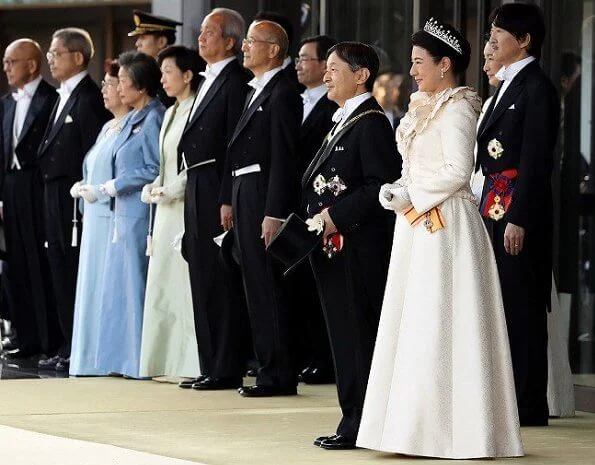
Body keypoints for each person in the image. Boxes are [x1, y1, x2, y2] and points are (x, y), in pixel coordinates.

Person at [356, 19, 523, 459]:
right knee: (412, 323)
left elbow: (456, 171)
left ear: (444, 64)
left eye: (418, 62)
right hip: (415, 223)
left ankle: (454, 430)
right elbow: (416, 167)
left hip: (446, 225)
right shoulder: (420, 106)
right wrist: (396, 190)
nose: (412, 71)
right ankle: (410, 429)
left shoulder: (459, 107)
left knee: (442, 322)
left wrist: (411, 194)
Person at [304, 42, 401, 450]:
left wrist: (335, 217)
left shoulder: (371, 122)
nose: (325, 76)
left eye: (333, 69)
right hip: (332, 248)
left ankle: (360, 423)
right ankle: (352, 417)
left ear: (360, 75)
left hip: (358, 248)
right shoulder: (343, 119)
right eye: (324, 68)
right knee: (343, 337)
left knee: (358, 337)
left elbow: (380, 186)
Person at [478, 3, 560, 426]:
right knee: (503, 305)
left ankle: (529, 406)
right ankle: (510, 399)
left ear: (524, 40)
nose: (490, 42)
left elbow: (535, 160)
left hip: (516, 213)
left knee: (522, 306)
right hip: (492, 206)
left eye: (499, 34)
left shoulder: (537, 87)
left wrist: (520, 218)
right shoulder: (508, 85)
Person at [220, 20, 302, 397]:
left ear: (273, 50)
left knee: (268, 287)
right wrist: (229, 198)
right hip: (244, 188)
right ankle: (267, 367)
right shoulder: (256, 90)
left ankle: (278, 374)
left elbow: (283, 157)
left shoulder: (283, 92)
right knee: (253, 285)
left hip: (262, 194)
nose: (245, 47)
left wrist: (274, 211)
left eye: (252, 42)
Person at [177, 8, 251, 391]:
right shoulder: (208, 79)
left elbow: (234, 145)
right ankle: (210, 363)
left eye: (209, 32)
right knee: (201, 271)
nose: (201, 37)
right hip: (196, 181)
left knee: (221, 277)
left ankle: (226, 366)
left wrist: (226, 198)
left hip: (217, 184)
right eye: (200, 31)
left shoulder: (237, 81)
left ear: (231, 42)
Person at [37, 28, 110, 372]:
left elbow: (91, 152)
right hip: (54, 194)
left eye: (56, 53)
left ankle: (75, 346)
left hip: (75, 200)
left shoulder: (89, 97)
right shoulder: (63, 95)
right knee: (58, 268)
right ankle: (65, 343)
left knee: (72, 268)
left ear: (78, 57)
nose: (49, 58)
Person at [96, 51, 164, 379]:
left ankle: (141, 361)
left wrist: (119, 183)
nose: (119, 87)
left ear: (141, 84)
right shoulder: (134, 117)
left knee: (136, 285)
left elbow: (154, 166)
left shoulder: (153, 118)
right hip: (122, 212)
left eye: (124, 81)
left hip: (140, 210)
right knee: (120, 289)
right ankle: (123, 358)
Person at [138, 45, 202, 379]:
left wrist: (172, 189)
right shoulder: (170, 111)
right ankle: (162, 360)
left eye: (168, 72)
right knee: (162, 282)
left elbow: (194, 162)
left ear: (188, 75)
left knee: (183, 284)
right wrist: (154, 185)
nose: (162, 79)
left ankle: (188, 361)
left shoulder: (195, 109)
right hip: (163, 208)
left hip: (182, 205)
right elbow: (165, 161)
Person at [68, 60, 130, 376]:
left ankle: (108, 357)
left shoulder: (134, 125)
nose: (105, 90)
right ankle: (87, 355)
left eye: (110, 84)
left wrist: (101, 190)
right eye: (104, 84)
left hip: (111, 216)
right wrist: (83, 185)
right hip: (92, 218)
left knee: (108, 288)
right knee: (91, 286)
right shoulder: (107, 126)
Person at [0, 39, 58, 360]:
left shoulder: (51, 100)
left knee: (39, 262)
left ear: (32, 65)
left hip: (37, 188)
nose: (6, 67)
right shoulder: (6, 103)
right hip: (10, 187)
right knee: (16, 264)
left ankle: (49, 339)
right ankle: (24, 335)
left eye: (12, 61)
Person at [292, 34, 337, 385]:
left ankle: (324, 359)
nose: (299, 64)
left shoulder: (334, 109)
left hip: (326, 211)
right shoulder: (297, 100)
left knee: (321, 287)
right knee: (301, 288)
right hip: (300, 207)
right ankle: (308, 355)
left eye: (307, 58)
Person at [128, 9, 182, 107]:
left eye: (143, 38)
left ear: (161, 42)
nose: (137, 43)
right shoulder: (149, 71)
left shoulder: (176, 71)